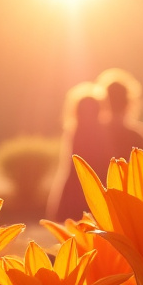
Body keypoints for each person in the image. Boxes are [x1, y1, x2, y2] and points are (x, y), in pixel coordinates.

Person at [46, 82, 106, 221]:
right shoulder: (79, 133)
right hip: (83, 189)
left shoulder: (77, 132)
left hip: (82, 189)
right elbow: (72, 167)